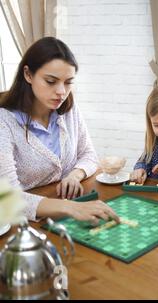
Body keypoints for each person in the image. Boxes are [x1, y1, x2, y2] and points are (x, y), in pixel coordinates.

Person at [0, 37, 119, 225]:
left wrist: (75, 175)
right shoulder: (4, 121)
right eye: (51, 81)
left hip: (61, 218)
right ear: (28, 75)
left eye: (68, 82)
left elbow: (88, 155)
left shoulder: (69, 110)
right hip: (21, 226)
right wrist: (72, 208)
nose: (61, 92)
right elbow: (7, 197)